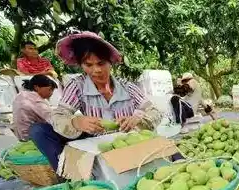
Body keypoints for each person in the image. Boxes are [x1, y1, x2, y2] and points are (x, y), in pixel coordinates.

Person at [29, 32, 161, 171]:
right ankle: (69, 174)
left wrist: (139, 120)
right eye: (88, 65)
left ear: (110, 62)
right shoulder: (77, 86)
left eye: (101, 63)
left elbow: (155, 112)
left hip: (125, 143)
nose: (96, 70)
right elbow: (58, 116)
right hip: (95, 144)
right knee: (39, 131)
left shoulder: (127, 87)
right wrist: (76, 122)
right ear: (81, 65)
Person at [12, 75, 57, 141]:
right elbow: (53, 119)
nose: (51, 93)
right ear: (36, 87)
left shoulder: (20, 95)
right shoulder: (37, 100)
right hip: (30, 137)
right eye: (49, 89)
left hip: (19, 135)